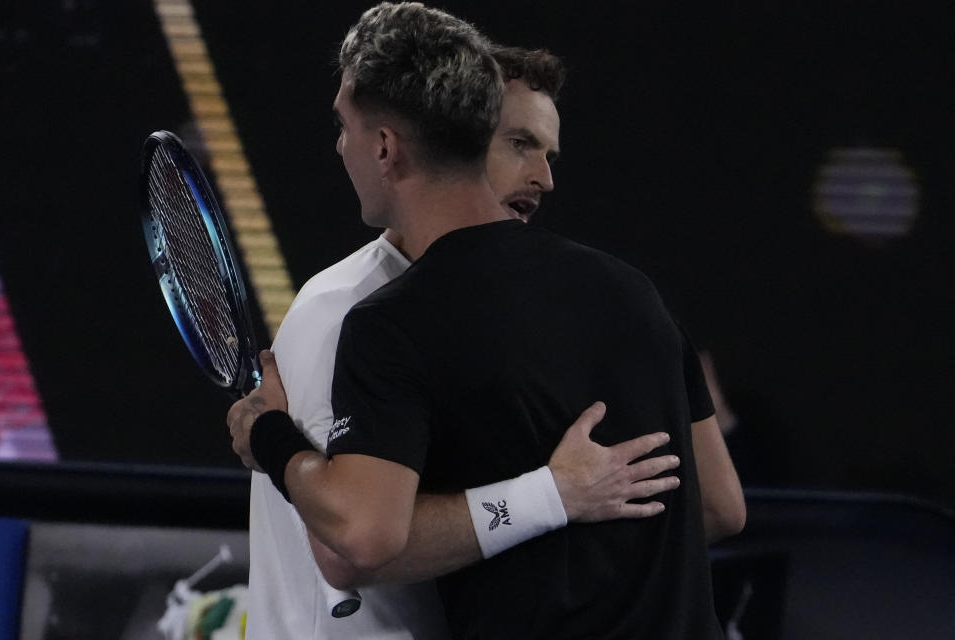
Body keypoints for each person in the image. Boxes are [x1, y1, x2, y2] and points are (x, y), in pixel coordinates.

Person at [230, 2, 745, 637]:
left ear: (388, 146)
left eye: (345, 126)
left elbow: (354, 541)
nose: (544, 177)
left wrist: (270, 438)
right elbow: (718, 508)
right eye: (521, 142)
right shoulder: (632, 290)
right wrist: (555, 501)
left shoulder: (391, 320)